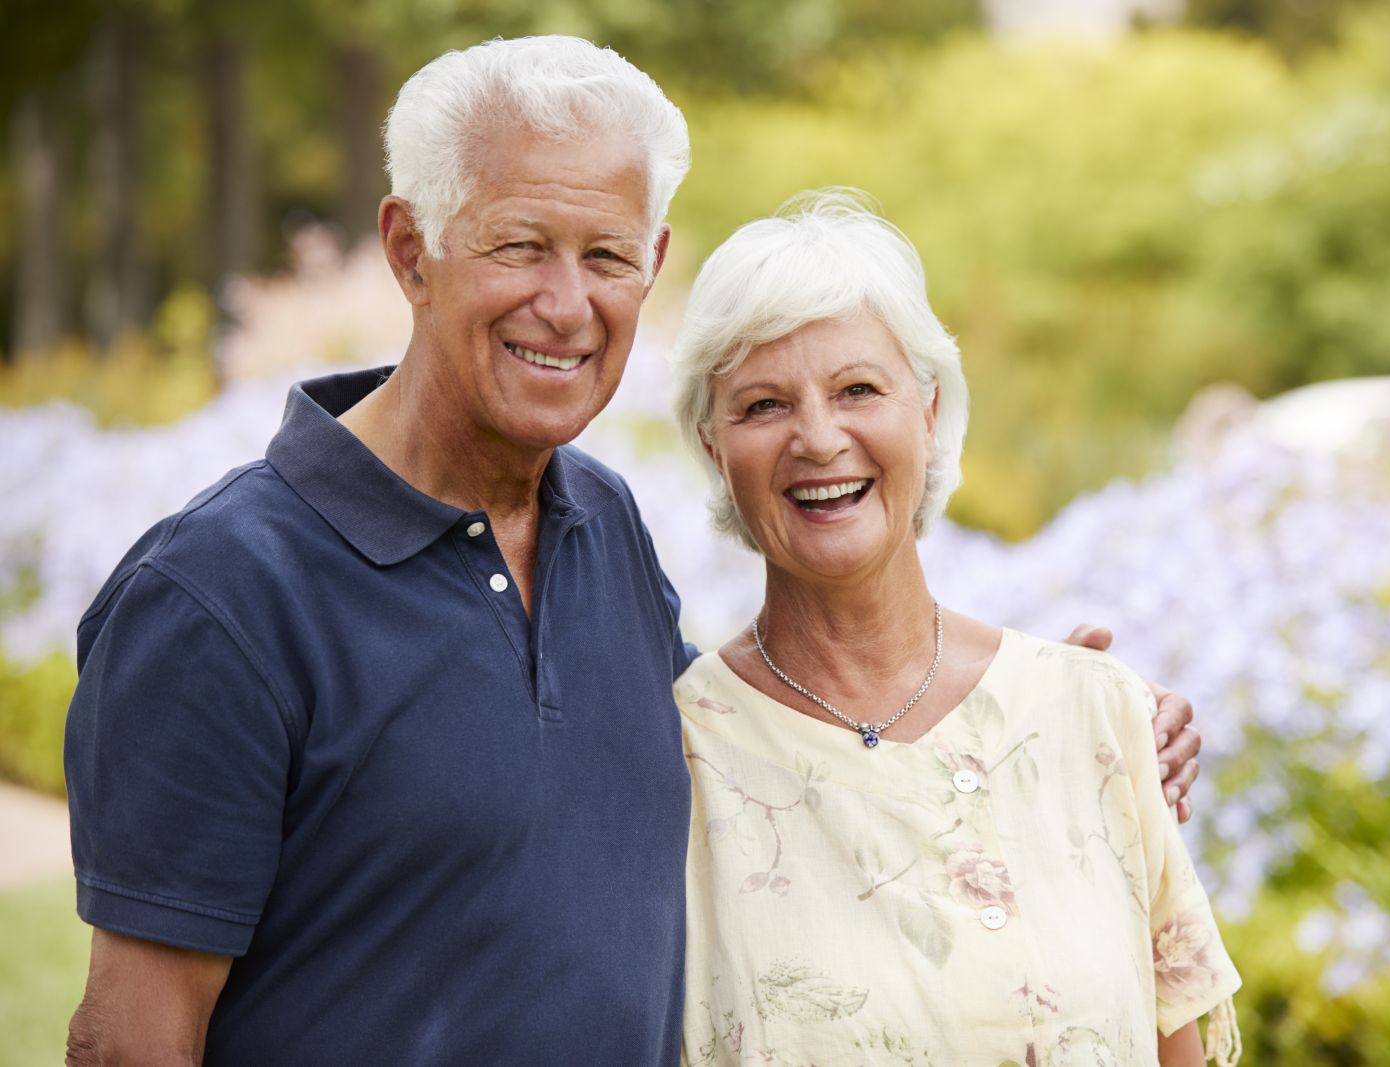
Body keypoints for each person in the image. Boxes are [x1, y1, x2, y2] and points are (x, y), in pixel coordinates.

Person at [61, 37, 1201, 1066]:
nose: (567, 304)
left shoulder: (597, 525)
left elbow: (768, 741)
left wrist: (1049, 729)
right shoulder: (217, 597)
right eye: (520, 244)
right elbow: (131, 1037)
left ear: (652, 262)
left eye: (606, 255)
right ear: (411, 250)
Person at [669, 191, 1241, 1066]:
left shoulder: (1099, 717)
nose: (820, 438)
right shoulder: (671, 757)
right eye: (763, 406)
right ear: (715, 448)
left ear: (929, 413)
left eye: (858, 388)